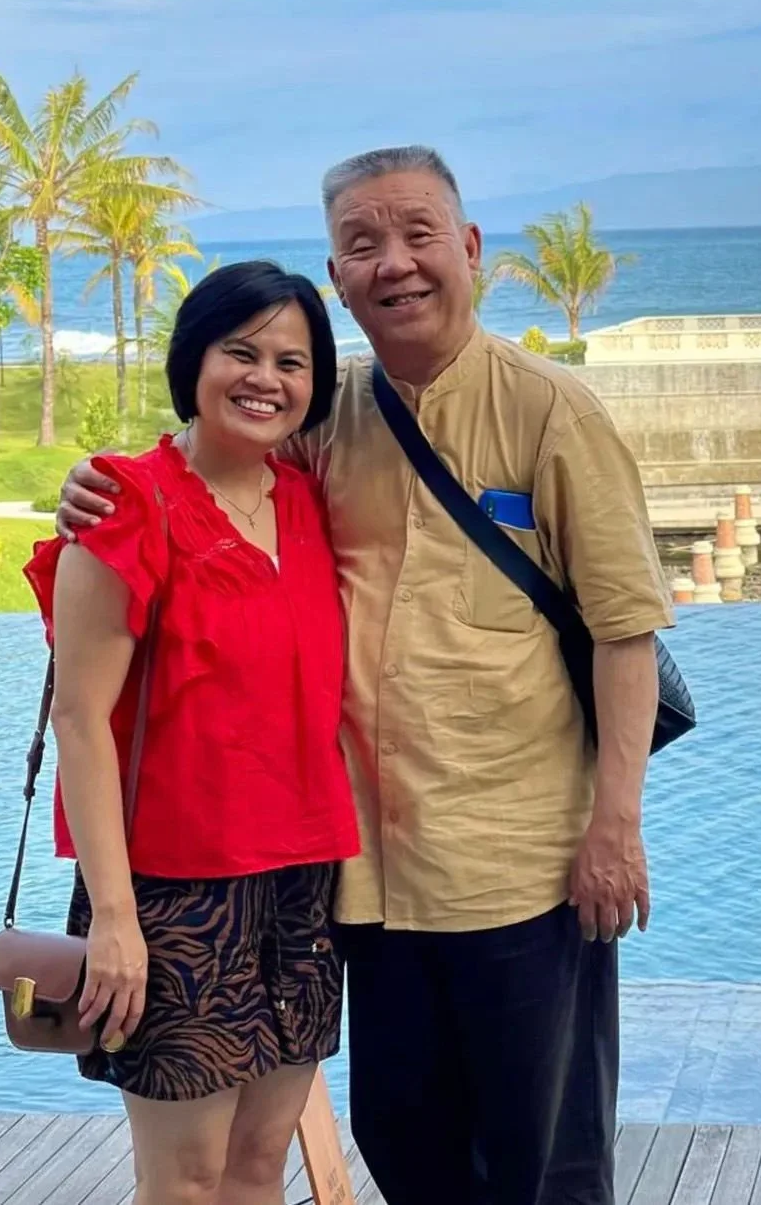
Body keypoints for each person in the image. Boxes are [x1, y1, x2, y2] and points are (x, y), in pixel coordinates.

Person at [59, 148, 673, 1205]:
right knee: (405, 1135)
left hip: (518, 870)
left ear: (471, 249)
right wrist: (99, 481)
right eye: (362, 244)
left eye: (420, 234)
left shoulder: (550, 413)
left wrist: (616, 825)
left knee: (544, 1157)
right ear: (338, 276)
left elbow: (626, 632)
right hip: (362, 883)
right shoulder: (321, 426)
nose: (396, 264)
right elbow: (213, 470)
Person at [33, 260, 360, 1205]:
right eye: (241, 351)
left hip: (301, 883)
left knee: (260, 1166)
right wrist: (119, 922)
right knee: (183, 1180)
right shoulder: (127, 502)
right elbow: (80, 720)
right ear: (195, 360)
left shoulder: (307, 501)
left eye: (293, 362)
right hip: (172, 894)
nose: (267, 378)